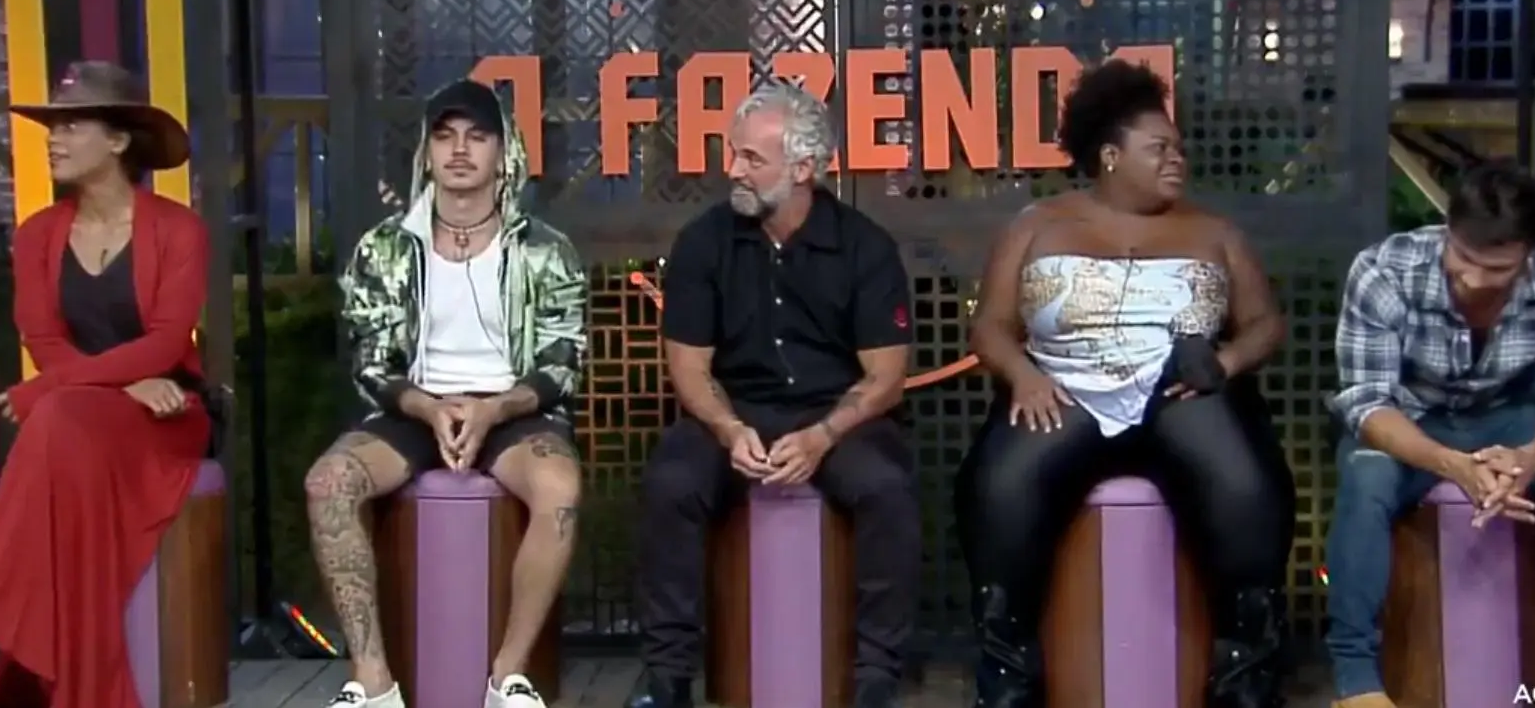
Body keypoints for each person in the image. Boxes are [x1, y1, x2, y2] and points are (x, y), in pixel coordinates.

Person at [954, 60, 1295, 708]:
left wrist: (1224, 363)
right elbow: (990, 327)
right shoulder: (1036, 224)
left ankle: (1245, 678)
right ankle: (1008, 679)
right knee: (998, 487)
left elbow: (1265, 323)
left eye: (1179, 149)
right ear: (1110, 156)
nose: (1177, 160)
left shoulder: (1214, 231)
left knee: (1245, 484)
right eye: (1159, 148)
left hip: (1177, 387)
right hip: (1064, 384)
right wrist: (1022, 374)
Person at [0, 62, 214, 708]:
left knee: (55, 414)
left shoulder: (179, 229)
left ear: (118, 140)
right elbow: (43, 342)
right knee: (60, 418)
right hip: (91, 414)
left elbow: (166, 344)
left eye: (72, 126)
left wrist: (54, 390)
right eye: (53, 127)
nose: (54, 139)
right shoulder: (38, 235)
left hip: (168, 412)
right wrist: (113, 387)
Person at [625, 82, 920, 708]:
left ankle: (876, 679)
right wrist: (728, 429)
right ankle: (668, 681)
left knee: (886, 488)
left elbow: (886, 378)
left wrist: (822, 436)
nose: (733, 170)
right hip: (734, 410)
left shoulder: (865, 247)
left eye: (751, 159)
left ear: (803, 168)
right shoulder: (704, 241)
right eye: (734, 153)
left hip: (836, 414)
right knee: (672, 483)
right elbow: (689, 368)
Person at [302, 79, 588, 708]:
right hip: (413, 406)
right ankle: (373, 681)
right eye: (445, 136)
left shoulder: (545, 251)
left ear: (503, 152)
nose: (459, 150)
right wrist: (429, 408)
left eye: (477, 137)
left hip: (512, 408)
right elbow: (371, 364)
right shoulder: (384, 248)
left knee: (560, 487)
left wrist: (494, 408)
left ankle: (507, 678)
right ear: (426, 153)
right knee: (328, 483)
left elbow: (562, 363)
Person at [1324, 160, 1535, 708]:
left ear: (1530, 254)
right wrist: (1453, 464)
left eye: (1496, 268)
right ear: (1447, 231)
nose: (1473, 279)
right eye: (1463, 259)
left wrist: (1531, 457)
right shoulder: (1383, 270)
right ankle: (1356, 681)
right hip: (1413, 418)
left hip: (1517, 415)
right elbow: (1368, 402)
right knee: (1366, 478)